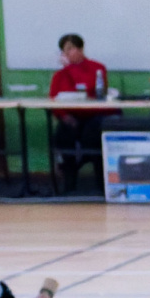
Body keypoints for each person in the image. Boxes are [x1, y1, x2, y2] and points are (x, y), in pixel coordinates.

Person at [48, 32, 114, 194]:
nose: (67, 53)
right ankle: (69, 184)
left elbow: (94, 92)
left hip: (94, 115)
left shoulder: (97, 68)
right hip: (72, 116)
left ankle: (101, 185)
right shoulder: (60, 75)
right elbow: (53, 99)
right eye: (64, 50)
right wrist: (64, 116)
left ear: (80, 49)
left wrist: (70, 70)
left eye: (70, 49)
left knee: (93, 134)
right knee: (63, 135)